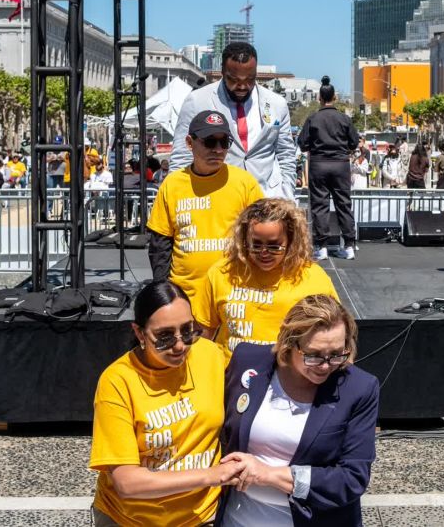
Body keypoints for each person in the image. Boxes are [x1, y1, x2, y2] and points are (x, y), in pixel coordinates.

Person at [89, 280, 242, 527]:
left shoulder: (210, 355)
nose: (180, 345)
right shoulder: (118, 381)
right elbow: (127, 482)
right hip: (131, 519)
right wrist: (210, 476)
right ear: (139, 333)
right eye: (164, 337)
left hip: (201, 516)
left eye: (188, 330)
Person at [218, 294, 380, 526]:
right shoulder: (248, 360)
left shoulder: (359, 388)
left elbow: (351, 479)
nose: (325, 366)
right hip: (238, 518)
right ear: (289, 343)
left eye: (337, 354)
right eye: (313, 355)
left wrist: (268, 474)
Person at [191, 198, 338, 362]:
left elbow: (335, 332)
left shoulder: (313, 278)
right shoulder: (222, 273)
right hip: (230, 376)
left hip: (287, 378)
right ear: (244, 240)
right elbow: (204, 333)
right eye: (256, 244)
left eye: (274, 246)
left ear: (291, 241)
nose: (264, 252)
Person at [148, 110, 265, 298]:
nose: (218, 149)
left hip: (233, 295)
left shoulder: (245, 183)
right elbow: (160, 245)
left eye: (224, 142)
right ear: (189, 143)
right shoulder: (172, 184)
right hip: (184, 297)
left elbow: (262, 237)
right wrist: (164, 294)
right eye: (210, 141)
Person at [171, 43, 296, 199]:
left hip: (267, 200)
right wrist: (179, 201)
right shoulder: (197, 101)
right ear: (223, 72)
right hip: (217, 199)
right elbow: (181, 156)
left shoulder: (277, 103)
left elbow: (286, 155)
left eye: (250, 79)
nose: (242, 86)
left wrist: (288, 196)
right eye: (234, 79)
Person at [297, 76, 358, 262]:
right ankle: (348, 246)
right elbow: (354, 142)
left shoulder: (313, 118)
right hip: (340, 165)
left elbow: (302, 143)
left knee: (319, 206)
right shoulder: (344, 118)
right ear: (335, 97)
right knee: (343, 204)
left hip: (319, 165)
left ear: (319, 98)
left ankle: (321, 247)